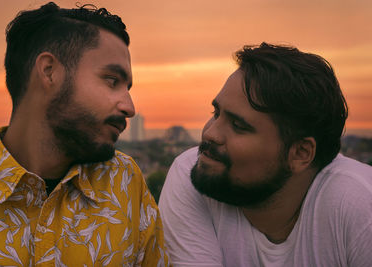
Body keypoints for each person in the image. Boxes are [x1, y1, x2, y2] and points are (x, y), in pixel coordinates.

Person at [0, 2, 168, 266]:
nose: (129, 107)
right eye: (112, 81)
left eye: (127, 87)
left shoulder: (124, 183)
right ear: (49, 71)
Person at [159, 43, 372, 266]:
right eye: (216, 113)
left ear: (300, 153)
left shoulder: (360, 204)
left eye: (238, 126)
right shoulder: (193, 171)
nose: (209, 133)